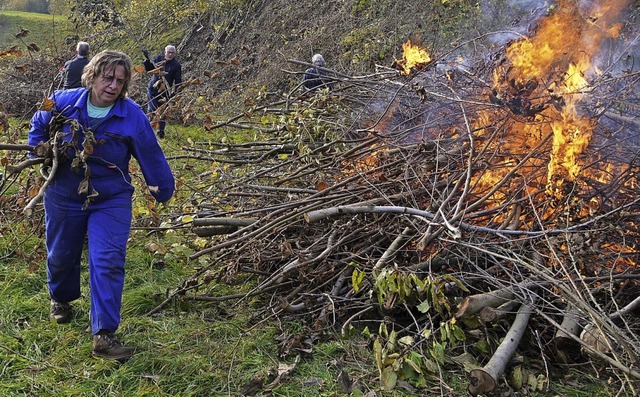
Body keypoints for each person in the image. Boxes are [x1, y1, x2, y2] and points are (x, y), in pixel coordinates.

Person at [28, 50, 175, 361]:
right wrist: (38, 151)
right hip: (64, 192)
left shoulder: (131, 115)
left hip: (110, 197)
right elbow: (38, 123)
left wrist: (162, 187)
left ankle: (104, 334)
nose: (113, 85)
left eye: (120, 81)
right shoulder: (64, 102)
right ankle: (61, 298)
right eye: (107, 77)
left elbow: (149, 151)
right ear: (92, 75)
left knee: (107, 260)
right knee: (61, 254)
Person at [145, 45, 182, 138]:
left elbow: (178, 81)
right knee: (152, 110)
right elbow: (150, 69)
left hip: (165, 93)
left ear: (174, 54)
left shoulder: (176, 65)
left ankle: (160, 131)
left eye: (172, 53)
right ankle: (147, 131)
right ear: (164, 52)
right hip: (152, 90)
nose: (170, 54)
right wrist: (147, 60)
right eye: (168, 52)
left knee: (163, 112)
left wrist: (175, 93)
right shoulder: (159, 59)